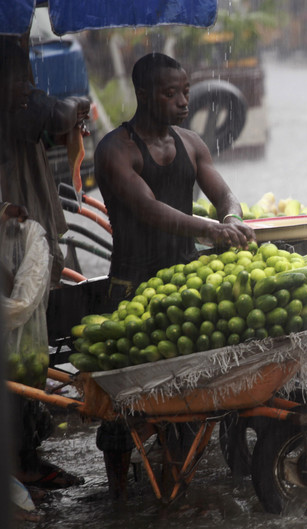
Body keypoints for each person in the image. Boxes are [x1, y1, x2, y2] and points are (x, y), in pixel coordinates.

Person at [93, 52, 255, 499]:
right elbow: (149, 209)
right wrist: (212, 229)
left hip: (184, 282)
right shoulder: (115, 151)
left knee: (194, 388)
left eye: (186, 91)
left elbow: (223, 192)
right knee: (123, 402)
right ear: (143, 94)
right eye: (171, 93)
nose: (184, 101)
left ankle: (183, 472)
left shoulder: (190, 141)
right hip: (132, 286)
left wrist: (233, 217)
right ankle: (120, 494)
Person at [0, 37, 85, 492]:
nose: (25, 86)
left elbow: (49, 121)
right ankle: (20, 459)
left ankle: (25, 452)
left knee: (25, 346)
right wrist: (67, 107)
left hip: (20, 228)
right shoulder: (18, 105)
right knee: (15, 353)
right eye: (18, 78)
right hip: (10, 232)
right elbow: (46, 114)